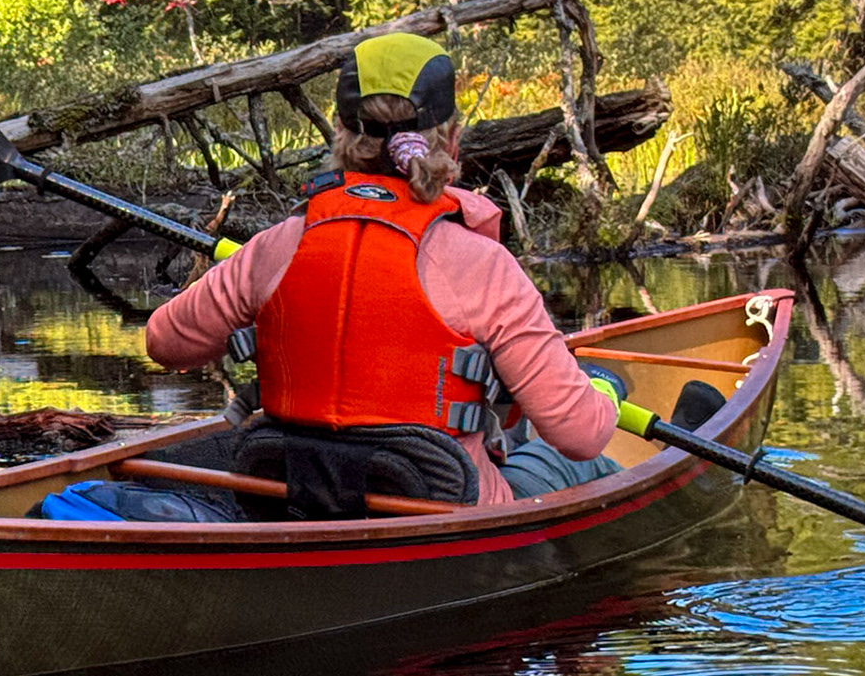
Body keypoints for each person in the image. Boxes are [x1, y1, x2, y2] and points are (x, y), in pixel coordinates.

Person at [144, 32, 624, 517]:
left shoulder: (276, 246)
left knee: (512, 430)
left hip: (294, 502)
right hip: (439, 513)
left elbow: (164, 342)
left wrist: (255, 293)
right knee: (572, 461)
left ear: (339, 131)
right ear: (452, 138)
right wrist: (604, 390)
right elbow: (580, 435)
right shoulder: (482, 264)